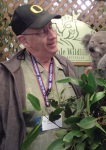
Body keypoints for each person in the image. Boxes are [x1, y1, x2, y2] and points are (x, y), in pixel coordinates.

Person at [0, 4, 81, 150]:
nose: (53, 35)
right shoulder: (6, 77)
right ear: (24, 40)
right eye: (43, 31)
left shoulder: (67, 67)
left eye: (51, 27)